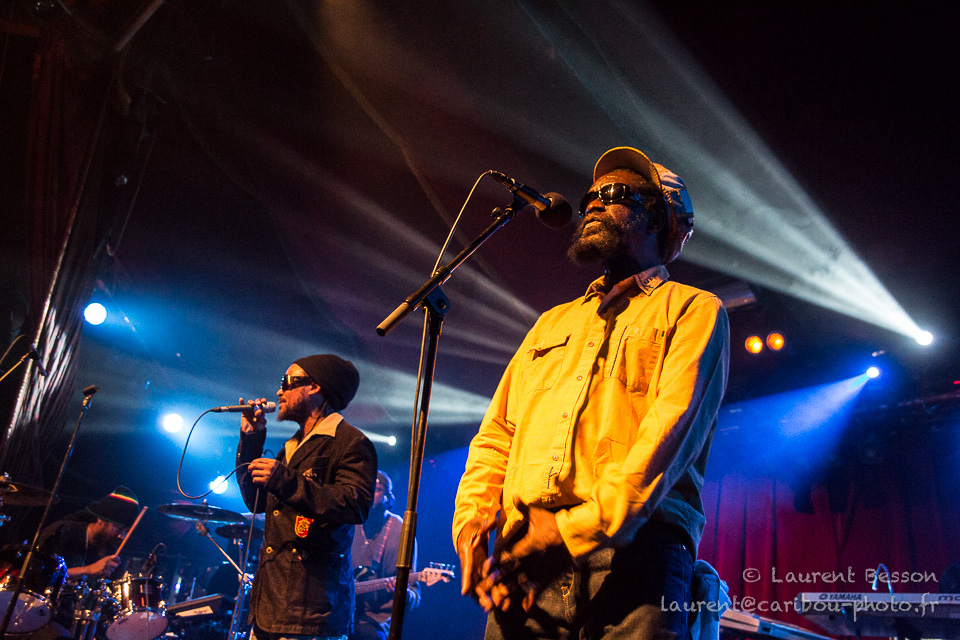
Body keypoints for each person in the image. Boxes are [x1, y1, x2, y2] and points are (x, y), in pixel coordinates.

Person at [453, 146, 730, 640]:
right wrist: (471, 526)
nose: (594, 203)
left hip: (635, 559)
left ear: (657, 219)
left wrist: (567, 531)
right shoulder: (550, 323)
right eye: (590, 198)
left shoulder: (693, 310)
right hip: (526, 561)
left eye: (616, 193)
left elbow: (667, 438)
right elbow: (497, 435)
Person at [237, 354, 378, 640]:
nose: (279, 392)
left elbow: (355, 504)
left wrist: (284, 480)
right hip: (269, 608)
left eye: (286, 382)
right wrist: (252, 440)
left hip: (312, 612)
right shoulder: (291, 447)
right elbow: (256, 502)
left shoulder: (350, 442)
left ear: (314, 386)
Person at [27, 487, 140, 638]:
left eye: (126, 531)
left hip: (81, 623)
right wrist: (88, 569)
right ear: (100, 520)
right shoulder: (63, 532)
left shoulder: (113, 552)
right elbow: (38, 576)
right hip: (41, 614)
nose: (121, 536)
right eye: (118, 528)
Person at [349, 470, 420, 640]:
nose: (370, 494)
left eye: (377, 489)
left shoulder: (401, 531)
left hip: (375, 621)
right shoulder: (348, 523)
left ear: (388, 498)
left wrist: (402, 592)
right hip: (342, 614)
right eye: (366, 489)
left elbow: (415, 594)